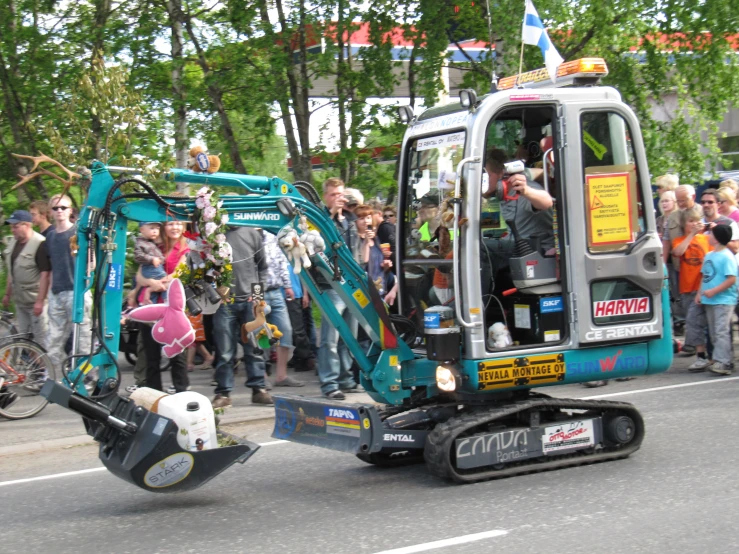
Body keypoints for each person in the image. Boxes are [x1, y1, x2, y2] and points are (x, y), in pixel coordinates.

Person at [212, 226, 273, 408]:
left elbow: (262, 267)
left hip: (250, 301)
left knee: (255, 346)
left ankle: (258, 389)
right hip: (224, 302)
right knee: (224, 351)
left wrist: (257, 296)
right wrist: (216, 293)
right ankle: (223, 392)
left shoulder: (252, 234)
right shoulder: (214, 235)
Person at [315, 177, 362, 400]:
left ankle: (346, 378)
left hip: (351, 285)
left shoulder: (350, 220)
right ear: (326, 196)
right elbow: (319, 246)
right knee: (330, 339)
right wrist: (331, 215)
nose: (338, 199)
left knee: (349, 337)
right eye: (334, 195)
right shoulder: (320, 219)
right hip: (331, 285)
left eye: (340, 194)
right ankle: (329, 383)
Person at [46, 194, 93, 375]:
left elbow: (91, 260)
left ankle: (88, 375)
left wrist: (87, 280)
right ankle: (52, 376)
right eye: (56, 208)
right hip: (57, 291)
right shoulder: (50, 236)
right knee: (54, 339)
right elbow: (51, 266)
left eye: (63, 207)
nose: (59, 211)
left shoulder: (78, 232)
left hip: (77, 290)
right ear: (50, 212)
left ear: (70, 210)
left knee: (83, 338)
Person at [484, 148, 554, 251]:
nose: (483, 182)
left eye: (487, 176)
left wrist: (526, 191)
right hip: (513, 245)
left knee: (478, 247)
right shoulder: (502, 193)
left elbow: (547, 202)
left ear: (501, 174)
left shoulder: (524, 189)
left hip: (531, 249)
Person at [2, 210, 50, 350]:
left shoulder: (39, 243)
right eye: (11, 226)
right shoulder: (13, 243)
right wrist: (7, 294)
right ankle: (31, 370)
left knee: (40, 341)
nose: (12, 229)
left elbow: (45, 274)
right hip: (20, 302)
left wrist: (40, 301)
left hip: (35, 302)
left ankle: (44, 371)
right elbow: (12, 271)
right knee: (24, 339)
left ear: (27, 225)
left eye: (15, 226)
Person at [671, 206, 711, 371]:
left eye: (697, 220)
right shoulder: (680, 240)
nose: (695, 223)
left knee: (699, 322)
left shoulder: (707, 239)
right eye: (691, 221)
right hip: (687, 288)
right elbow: (677, 252)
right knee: (693, 322)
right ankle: (703, 355)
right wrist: (691, 235)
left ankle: (704, 356)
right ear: (684, 224)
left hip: (705, 287)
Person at [261, 230, 303, 388]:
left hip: (276, 290)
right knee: (262, 334)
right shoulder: (251, 236)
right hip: (258, 290)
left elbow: (281, 261)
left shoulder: (272, 237)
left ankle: (281, 376)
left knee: (285, 331)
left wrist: (287, 285)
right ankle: (262, 376)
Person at [696, 224, 737, 376]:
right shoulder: (709, 255)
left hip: (724, 300)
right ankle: (720, 359)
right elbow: (704, 277)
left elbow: (731, 279)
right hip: (710, 300)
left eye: (711, 234)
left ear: (718, 238)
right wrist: (699, 293)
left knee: (721, 331)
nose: (708, 235)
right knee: (713, 332)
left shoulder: (727, 256)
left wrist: (714, 291)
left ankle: (724, 362)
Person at [285, 263, 317, 373]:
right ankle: (301, 355)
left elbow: (303, 273)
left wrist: (305, 294)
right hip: (284, 292)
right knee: (295, 328)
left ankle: (305, 357)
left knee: (297, 328)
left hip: (294, 292)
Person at [134, 222, 167, 304]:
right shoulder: (140, 243)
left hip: (155, 267)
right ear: (142, 230)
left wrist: (161, 259)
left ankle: (151, 303)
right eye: (152, 228)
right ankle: (167, 299)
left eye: (157, 229)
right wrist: (151, 259)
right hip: (150, 268)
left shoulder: (151, 242)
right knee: (164, 280)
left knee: (154, 290)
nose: (155, 231)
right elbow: (138, 256)